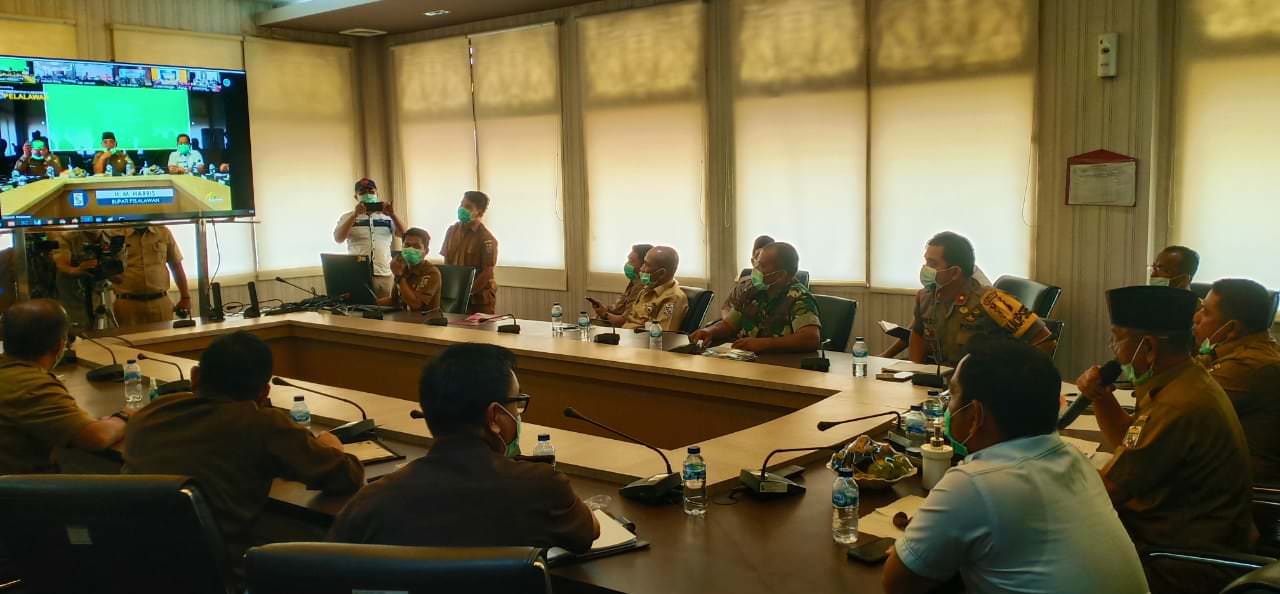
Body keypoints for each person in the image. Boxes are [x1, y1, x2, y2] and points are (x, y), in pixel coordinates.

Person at [883, 340, 1148, 594]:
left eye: (952, 394)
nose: (947, 407)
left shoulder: (973, 484)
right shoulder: (1073, 457)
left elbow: (896, 584)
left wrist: (917, 545)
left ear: (975, 415)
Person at [328, 343, 599, 552]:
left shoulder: (370, 501)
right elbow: (588, 532)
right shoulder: (541, 486)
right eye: (516, 403)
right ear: (494, 417)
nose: (518, 413)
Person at [1075, 285, 1256, 594]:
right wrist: (1101, 397)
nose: (1114, 350)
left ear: (1148, 347)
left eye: (1118, 338)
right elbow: (1130, 442)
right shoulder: (1182, 379)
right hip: (1172, 537)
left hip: (1180, 562)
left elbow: (1109, 491)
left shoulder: (1179, 404)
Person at [123, 331, 363, 556]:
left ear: (194, 377)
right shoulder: (262, 424)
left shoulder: (151, 412)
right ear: (264, 393)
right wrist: (331, 447)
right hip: (214, 570)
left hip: (131, 561)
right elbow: (346, 476)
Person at [0, 300, 126, 475]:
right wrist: (124, 417)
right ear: (60, 345)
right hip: (25, 489)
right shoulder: (31, 385)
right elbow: (97, 437)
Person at [909, 231, 1055, 366]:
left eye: (933, 264)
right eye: (926, 262)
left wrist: (1017, 377)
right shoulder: (925, 297)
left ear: (955, 272)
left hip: (983, 381)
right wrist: (917, 369)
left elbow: (1044, 341)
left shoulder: (992, 301)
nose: (925, 268)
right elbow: (918, 333)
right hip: (942, 379)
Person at [1193, 278, 1280, 484]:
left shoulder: (1250, 366)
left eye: (1205, 312)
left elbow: (1178, 402)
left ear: (1231, 328)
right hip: (1220, 462)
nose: (1196, 318)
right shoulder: (1240, 349)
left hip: (1237, 478)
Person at [689, 242, 821, 354]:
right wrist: (709, 331)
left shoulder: (799, 297)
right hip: (742, 359)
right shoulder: (751, 290)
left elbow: (810, 339)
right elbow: (729, 324)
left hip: (778, 364)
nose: (755, 269)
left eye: (762, 266)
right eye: (756, 263)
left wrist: (767, 344)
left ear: (780, 275)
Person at [333, 178, 405, 300]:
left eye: (371, 191)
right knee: (360, 308)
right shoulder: (347, 217)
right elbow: (338, 239)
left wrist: (392, 215)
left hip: (384, 273)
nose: (368, 194)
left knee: (386, 309)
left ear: (377, 194)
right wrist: (354, 216)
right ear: (356, 197)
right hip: (358, 275)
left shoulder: (387, 217)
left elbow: (404, 234)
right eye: (362, 192)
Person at [106, 225, 191, 326]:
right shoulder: (115, 234)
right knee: (130, 336)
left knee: (164, 336)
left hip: (160, 302)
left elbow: (176, 266)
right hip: (128, 303)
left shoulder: (163, 232)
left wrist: (185, 297)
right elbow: (107, 267)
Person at [603, 245, 688, 332]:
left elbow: (662, 334)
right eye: (643, 263)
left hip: (637, 339)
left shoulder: (672, 298)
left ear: (661, 273)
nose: (641, 268)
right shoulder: (645, 290)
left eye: (647, 265)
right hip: (625, 334)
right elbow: (629, 319)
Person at [442, 190, 499, 314]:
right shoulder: (452, 231)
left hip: (478, 299)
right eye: (461, 204)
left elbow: (487, 272)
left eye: (468, 206)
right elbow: (447, 262)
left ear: (480, 212)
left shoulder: (486, 238)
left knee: (478, 327)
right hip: (454, 296)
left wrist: (467, 292)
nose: (462, 208)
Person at [49, 230, 105, 331]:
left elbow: (120, 276)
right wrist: (78, 269)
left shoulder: (109, 237)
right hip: (74, 303)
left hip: (99, 301)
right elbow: (61, 264)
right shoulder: (67, 238)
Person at [381, 227, 442, 313]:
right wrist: (369, 304)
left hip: (425, 320)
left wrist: (399, 276)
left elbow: (416, 304)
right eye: (407, 245)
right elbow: (394, 301)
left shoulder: (432, 273)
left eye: (416, 246)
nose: (411, 249)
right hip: (403, 318)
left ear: (426, 251)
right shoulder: (402, 268)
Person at [591, 243, 652, 321]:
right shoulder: (634, 282)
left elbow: (624, 320)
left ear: (644, 265)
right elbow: (619, 309)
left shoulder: (641, 286)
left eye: (631, 261)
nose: (627, 264)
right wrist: (604, 309)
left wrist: (604, 314)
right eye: (628, 260)